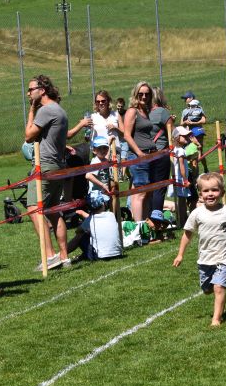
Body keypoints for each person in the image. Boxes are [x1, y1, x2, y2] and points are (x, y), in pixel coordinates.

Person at [173, 172, 226, 327]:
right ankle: (216, 294)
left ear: (222, 193)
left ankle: (216, 319)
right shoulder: (197, 213)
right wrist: (180, 255)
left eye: (214, 190)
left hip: (224, 258)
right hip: (205, 259)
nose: (210, 194)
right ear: (200, 194)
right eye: (206, 191)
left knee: (219, 287)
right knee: (207, 289)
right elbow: (187, 234)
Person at [24, 75, 71, 270]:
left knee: (33, 208)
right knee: (52, 211)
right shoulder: (59, 109)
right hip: (58, 165)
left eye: (31, 89)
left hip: (44, 165)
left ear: (42, 90)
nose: (28, 93)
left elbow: (28, 136)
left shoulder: (46, 110)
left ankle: (50, 256)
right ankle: (64, 256)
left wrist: (32, 109)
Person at [123, 81, 160, 221]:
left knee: (148, 192)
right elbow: (126, 135)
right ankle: (139, 225)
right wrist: (139, 153)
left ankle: (145, 223)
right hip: (139, 157)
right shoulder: (132, 111)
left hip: (150, 155)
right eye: (141, 94)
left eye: (147, 94)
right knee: (140, 193)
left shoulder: (146, 112)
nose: (144, 97)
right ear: (136, 94)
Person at [66, 192, 122, 261]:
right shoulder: (111, 215)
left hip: (100, 256)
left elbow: (78, 231)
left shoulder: (90, 220)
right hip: (117, 253)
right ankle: (82, 255)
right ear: (103, 204)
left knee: (80, 236)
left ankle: (63, 254)